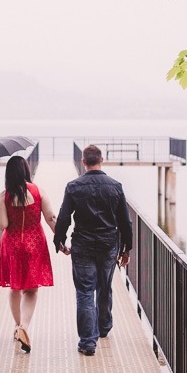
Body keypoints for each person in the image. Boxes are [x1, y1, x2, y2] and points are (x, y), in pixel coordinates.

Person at [53, 145, 132, 356]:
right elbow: (125, 221)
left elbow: (63, 217)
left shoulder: (73, 187)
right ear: (102, 160)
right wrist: (126, 248)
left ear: (83, 162)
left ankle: (88, 342)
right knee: (104, 285)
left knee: (85, 291)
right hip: (108, 245)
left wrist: (59, 240)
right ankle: (104, 327)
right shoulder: (115, 186)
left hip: (83, 245)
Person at [0, 155, 57, 353]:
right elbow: (51, 218)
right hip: (34, 243)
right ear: (26, 171)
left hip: (12, 245)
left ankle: (18, 325)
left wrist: (0, 203)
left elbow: (2, 224)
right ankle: (24, 327)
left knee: (14, 288)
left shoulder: (4, 195)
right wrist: (61, 241)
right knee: (31, 289)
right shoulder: (38, 191)